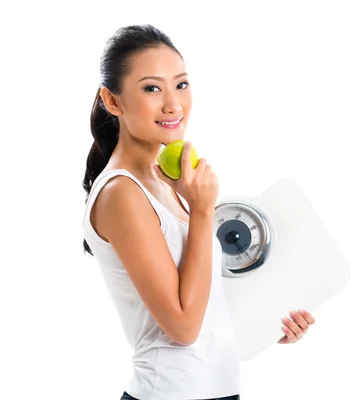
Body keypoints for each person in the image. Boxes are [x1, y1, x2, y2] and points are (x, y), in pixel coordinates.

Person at [81, 24, 316, 400]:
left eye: (182, 84)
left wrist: (268, 325)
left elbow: (198, 307)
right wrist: (203, 212)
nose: (173, 104)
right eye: (152, 88)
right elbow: (182, 328)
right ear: (112, 101)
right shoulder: (121, 193)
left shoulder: (164, 183)